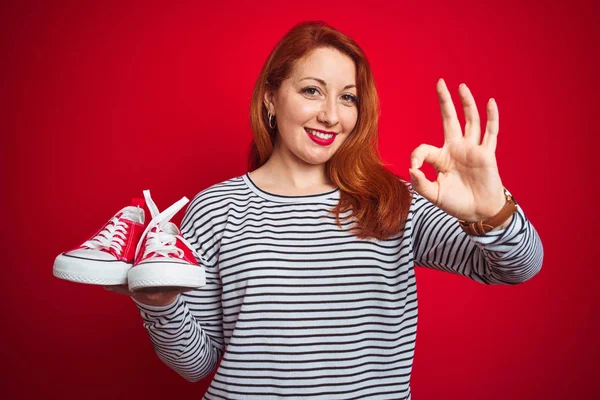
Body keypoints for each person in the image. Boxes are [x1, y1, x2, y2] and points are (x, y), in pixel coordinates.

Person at [105, 20, 543, 399]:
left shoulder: (391, 199)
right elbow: (196, 364)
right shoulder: (216, 210)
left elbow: (517, 268)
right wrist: (159, 304)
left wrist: (491, 207)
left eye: (348, 98)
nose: (332, 115)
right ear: (271, 98)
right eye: (312, 91)